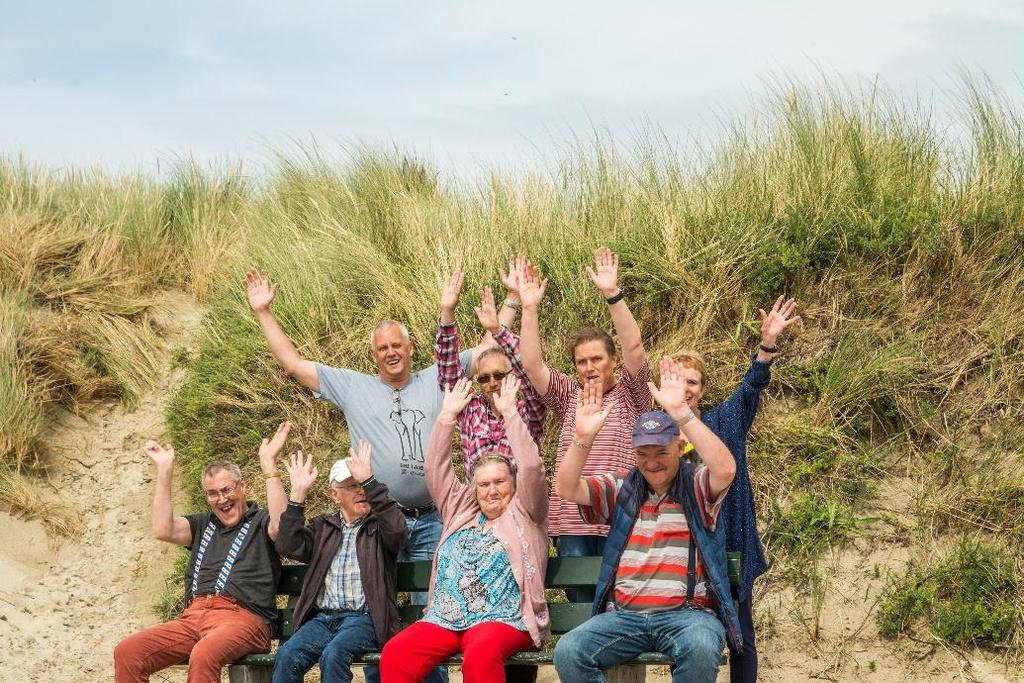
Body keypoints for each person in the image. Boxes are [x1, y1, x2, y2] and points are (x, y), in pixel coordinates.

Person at [243, 268, 513, 597]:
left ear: (411, 349)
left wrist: (512, 299)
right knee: (377, 602)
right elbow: (295, 366)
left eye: (397, 345)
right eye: (383, 348)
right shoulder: (352, 387)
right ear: (374, 355)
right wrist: (263, 312)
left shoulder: (440, 378)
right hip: (377, 519)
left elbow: (489, 352)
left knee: (431, 601)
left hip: (432, 516)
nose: (391, 352)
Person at [552, 358, 742, 683]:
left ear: (680, 447)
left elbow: (725, 468)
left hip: (687, 616)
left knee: (700, 647)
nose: (652, 463)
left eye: (661, 452)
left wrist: (681, 412)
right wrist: (582, 438)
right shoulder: (622, 489)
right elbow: (566, 488)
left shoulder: (696, 485)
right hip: (625, 617)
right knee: (569, 651)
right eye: (643, 453)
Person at [379, 375, 550, 683]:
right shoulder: (461, 510)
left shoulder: (526, 511)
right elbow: (435, 471)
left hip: (504, 620)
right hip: (445, 618)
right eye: (484, 484)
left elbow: (532, 469)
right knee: (396, 653)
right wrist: (446, 418)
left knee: (481, 653)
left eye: (500, 482)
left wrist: (511, 414)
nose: (492, 490)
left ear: (514, 485)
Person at [675, 295, 800, 683]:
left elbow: (752, 387)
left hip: (730, 542)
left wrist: (767, 344)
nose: (686, 388)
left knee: (740, 637)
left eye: (692, 381)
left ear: (703, 387)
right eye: (678, 381)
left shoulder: (724, 420)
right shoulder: (655, 435)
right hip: (680, 551)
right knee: (686, 638)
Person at [518, 247, 651, 602]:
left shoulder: (629, 394)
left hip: (618, 515)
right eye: (581, 361)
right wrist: (529, 308)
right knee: (581, 608)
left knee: (619, 604)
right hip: (571, 522)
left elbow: (636, 349)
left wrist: (612, 294)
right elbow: (531, 365)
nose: (589, 367)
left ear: (612, 361)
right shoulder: (568, 395)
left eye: (597, 359)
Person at [114, 422, 292, 683]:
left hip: (244, 619)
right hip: (194, 616)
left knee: (205, 653)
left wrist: (269, 467)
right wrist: (164, 469)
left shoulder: (260, 521)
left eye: (226, 490)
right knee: (128, 652)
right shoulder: (202, 524)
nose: (221, 499)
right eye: (212, 494)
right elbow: (163, 529)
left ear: (242, 487)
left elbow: (283, 528)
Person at [272, 441, 407, 683]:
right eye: (352, 486)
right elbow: (288, 546)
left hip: (365, 619)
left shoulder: (379, 526)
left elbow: (398, 530)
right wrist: (297, 495)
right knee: (287, 654)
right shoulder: (323, 527)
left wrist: (370, 482)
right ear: (335, 495)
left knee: (334, 655)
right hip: (322, 619)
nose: (361, 491)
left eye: (362, 484)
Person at [435, 260, 546, 473]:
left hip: (519, 504)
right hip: (478, 503)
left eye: (499, 375)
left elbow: (529, 367)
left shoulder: (529, 412)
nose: (492, 382)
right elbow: (448, 370)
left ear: (512, 375)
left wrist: (497, 330)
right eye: (484, 378)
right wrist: (447, 311)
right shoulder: (471, 410)